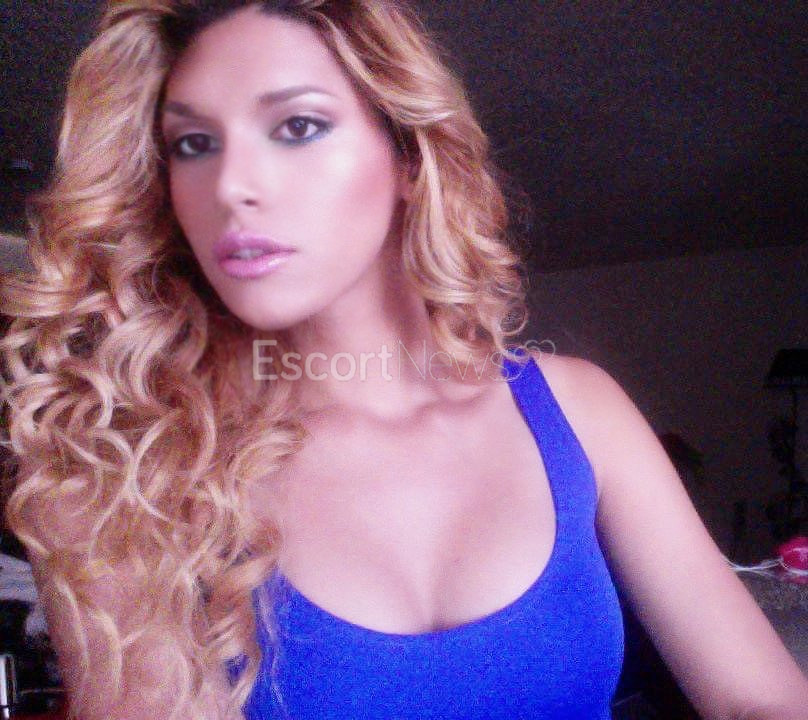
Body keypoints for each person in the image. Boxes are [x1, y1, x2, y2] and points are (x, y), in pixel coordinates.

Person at [1, 1, 806, 719]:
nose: (231, 185)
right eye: (194, 143)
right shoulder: (122, 475)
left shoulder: (578, 409)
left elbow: (758, 697)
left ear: (409, 159)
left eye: (298, 126)